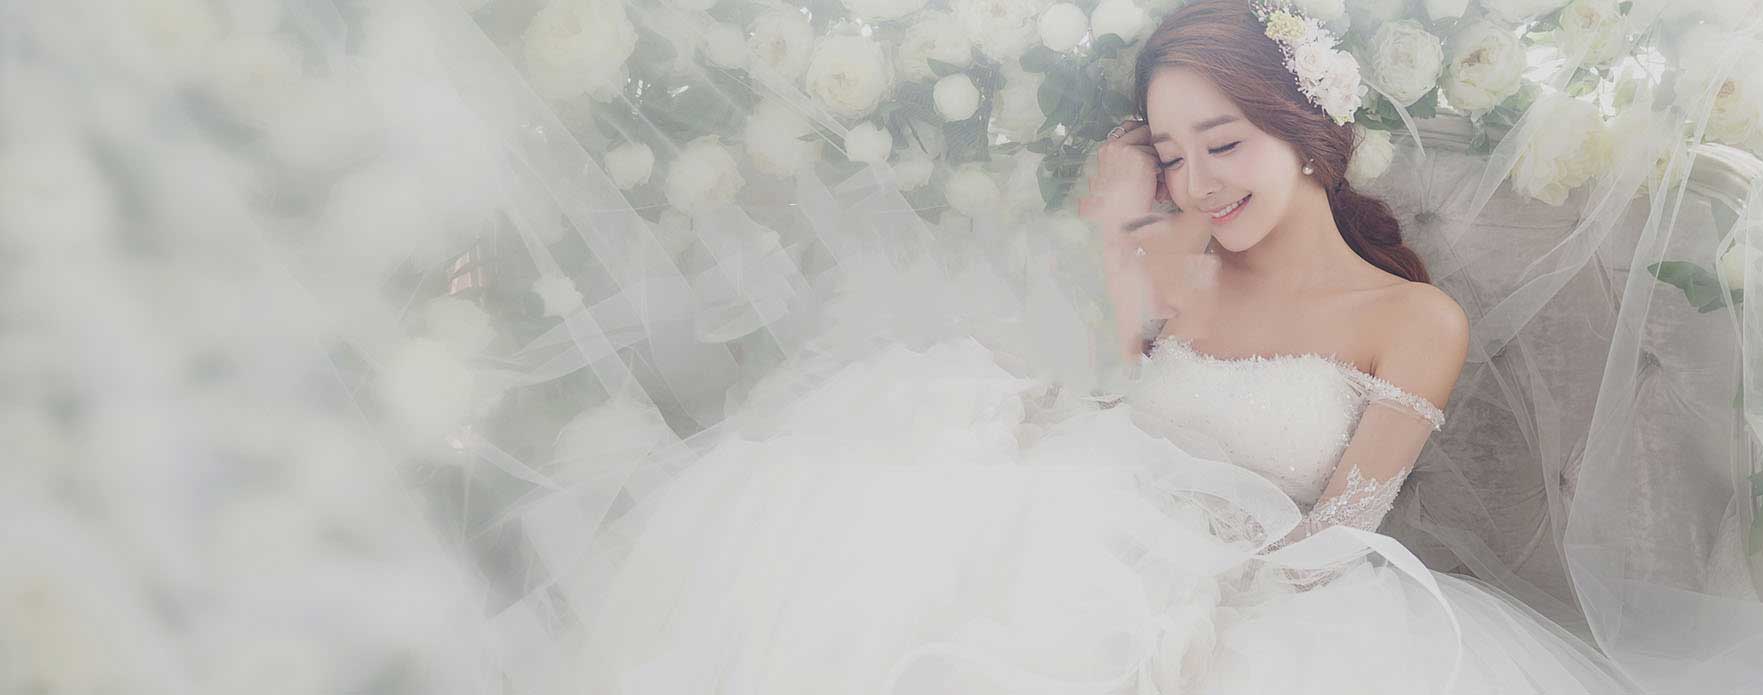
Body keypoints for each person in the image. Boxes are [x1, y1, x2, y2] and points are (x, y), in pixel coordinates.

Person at [547, 1, 1642, 693]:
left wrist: (1195, 606)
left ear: (1306, 131)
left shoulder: (1413, 320)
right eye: (1172, 152)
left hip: (1248, 599)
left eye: (1223, 142)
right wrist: (1119, 246)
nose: (1197, 181)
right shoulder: (1184, 260)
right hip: (1087, 536)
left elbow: (1342, 531)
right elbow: (1119, 400)